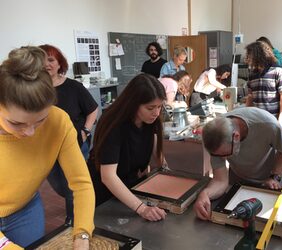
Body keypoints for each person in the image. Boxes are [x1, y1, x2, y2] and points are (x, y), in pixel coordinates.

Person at [0, 46, 94, 248]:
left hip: (25, 209)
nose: (30, 132)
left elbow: (81, 184)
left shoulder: (59, 121)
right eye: (16, 124)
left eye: (40, 120)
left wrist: (82, 234)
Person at [89, 73, 167, 222]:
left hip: (129, 183)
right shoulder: (113, 124)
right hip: (104, 191)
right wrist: (142, 208)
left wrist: (164, 168)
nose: (156, 113)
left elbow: (154, 140)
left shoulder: (149, 120)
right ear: (133, 104)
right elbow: (108, 176)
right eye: (150, 108)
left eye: (159, 106)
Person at [194, 107, 282, 220]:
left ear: (236, 137)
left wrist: (275, 176)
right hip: (238, 180)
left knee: (268, 220)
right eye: (219, 156)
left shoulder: (267, 125)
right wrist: (205, 194)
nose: (223, 158)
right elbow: (220, 180)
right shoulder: (215, 137)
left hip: (268, 181)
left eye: (226, 154)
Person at [39, 44, 98, 226]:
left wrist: (86, 131)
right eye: (42, 60)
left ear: (59, 64)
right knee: (59, 185)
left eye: (51, 60)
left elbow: (93, 109)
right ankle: (80, 204)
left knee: (73, 184)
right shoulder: (36, 89)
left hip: (75, 143)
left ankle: (74, 220)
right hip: (47, 147)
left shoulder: (73, 86)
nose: (46, 64)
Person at [244, 41, 282, 129]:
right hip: (256, 118)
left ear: (258, 55)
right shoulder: (252, 74)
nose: (247, 58)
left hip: (272, 118)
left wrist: (281, 117)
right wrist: (246, 114)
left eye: (249, 55)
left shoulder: (277, 71)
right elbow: (250, 96)